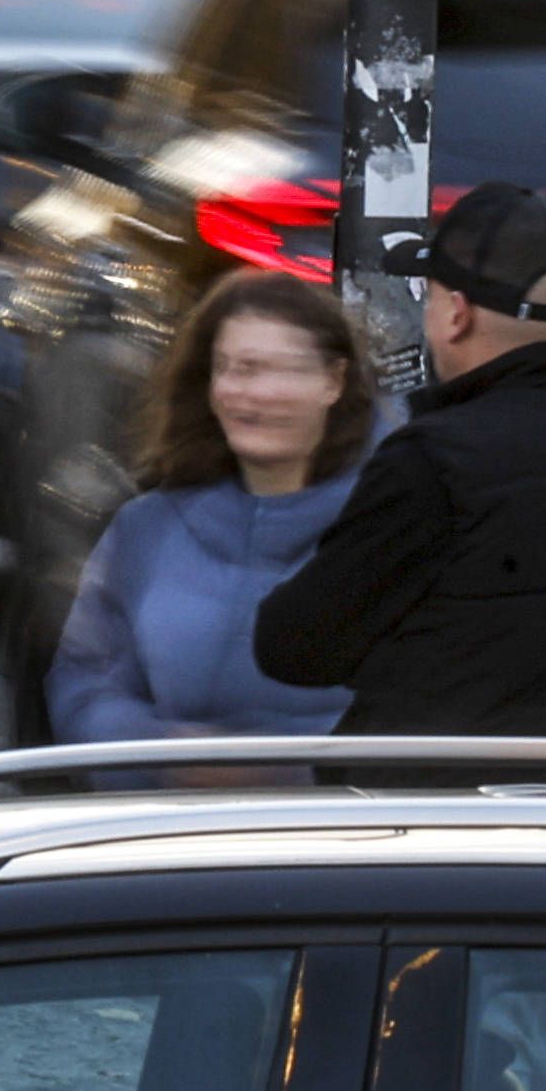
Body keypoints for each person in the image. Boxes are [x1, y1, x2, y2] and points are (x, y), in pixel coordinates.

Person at [253, 184, 546, 736]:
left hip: (446, 800)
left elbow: (296, 648)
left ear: (457, 313)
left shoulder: (435, 461)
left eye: (430, 298)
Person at [48, 271, 372, 744]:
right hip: (178, 815)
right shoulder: (146, 528)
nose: (254, 393)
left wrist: (287, 771)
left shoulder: (392, 525)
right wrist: (164, 756)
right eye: (235, 368)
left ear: (334, 380)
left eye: (285, 369)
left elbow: (428, 705)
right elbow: (84, 684)